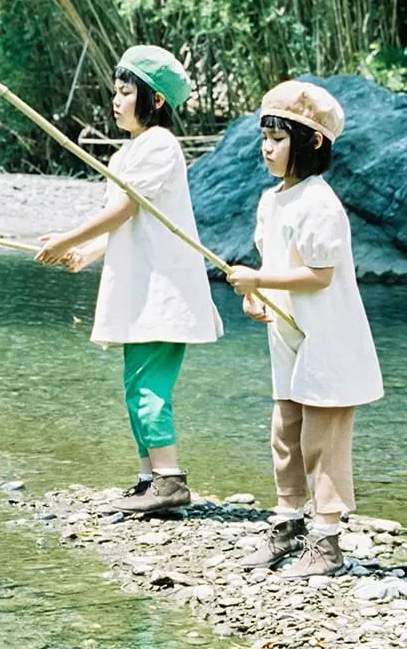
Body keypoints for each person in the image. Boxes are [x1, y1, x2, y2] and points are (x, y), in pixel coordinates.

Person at [36, 45, 222, 514]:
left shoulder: (160, 145)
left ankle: (170, 479)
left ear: (156, 100)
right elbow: (126, 226)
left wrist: (63, 238)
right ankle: (148, 478)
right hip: (141, 289)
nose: (115, 101)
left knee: (148, 389)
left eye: (125, 92)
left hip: (163, 291)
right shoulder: (129, 153)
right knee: (134, 384)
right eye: (114, 92)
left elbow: (122, 209)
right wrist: (85, 252)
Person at [227, 80, 383, 578]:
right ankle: (289, 521)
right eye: (264, 137)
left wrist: (257, 279)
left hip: (329, 339)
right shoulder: (272, 200)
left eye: (278, 137)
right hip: (289, 335)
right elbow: (273, 263)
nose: (266, 148)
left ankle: (328, 540)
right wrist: (257, 296)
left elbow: (319, 275)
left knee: (324, 439)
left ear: (313, 141)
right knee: (285, 433)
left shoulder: (320, 202)